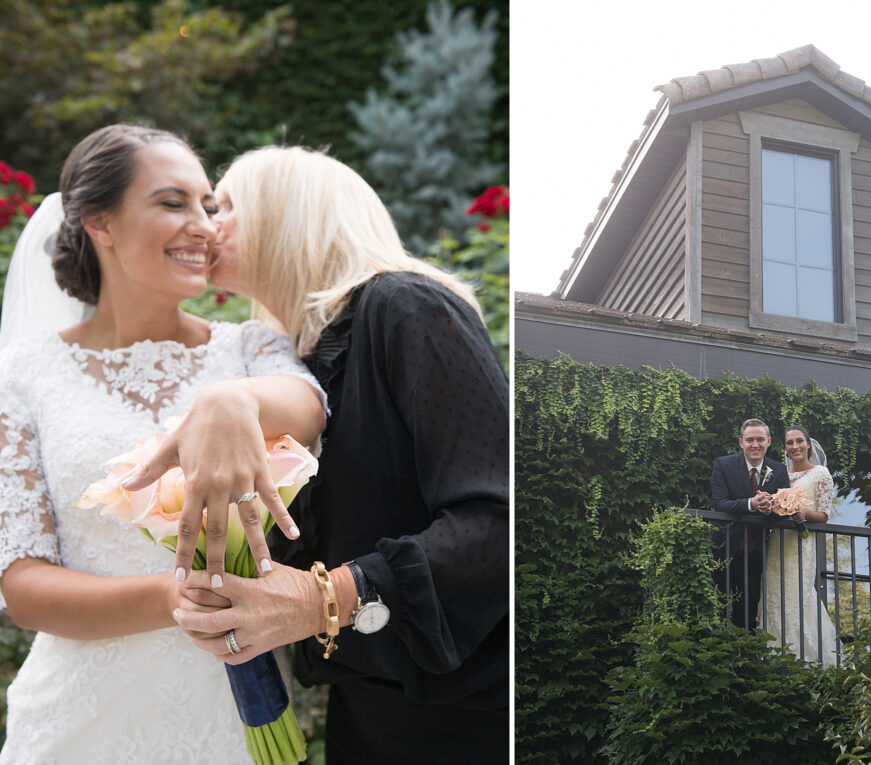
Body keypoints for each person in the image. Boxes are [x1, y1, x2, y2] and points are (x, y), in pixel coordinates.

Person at [169, 146, 509, 764]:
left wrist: (319, 600)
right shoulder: (299, 364)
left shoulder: (406, 306)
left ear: (288, 213)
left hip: (462, 720)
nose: (206, 224)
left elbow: (501, 524)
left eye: (226, 205)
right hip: (364, 714)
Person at [0, 125, 325, 763]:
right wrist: (174, 596)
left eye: (208, 205)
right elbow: (24, 586)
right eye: (173, 203)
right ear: (100, 221)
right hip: (76, 724)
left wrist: (232, 398)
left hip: (230, 715)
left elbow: (310, 409)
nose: (204, 225)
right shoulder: (24, 377)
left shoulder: (248, 348)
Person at [760, 425, 838, 666]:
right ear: (784, 447)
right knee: (773, 595)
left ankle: (809, 660)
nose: (794, 447)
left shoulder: (821, 473)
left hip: (800, 544)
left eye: (799, 441)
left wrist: (799, 512)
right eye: (789, 443)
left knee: (797, 595)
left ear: (808, 444)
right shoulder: (780, 475)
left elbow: (824, 515)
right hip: (777, 542)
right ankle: (773, 656)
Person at [710, 418, 790, 628]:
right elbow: (720, 503)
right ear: (741, 442)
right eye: (750, 440)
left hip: (756, 555)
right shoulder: (723, 465)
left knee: (747, 613)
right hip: (725, 549)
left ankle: (743, 657)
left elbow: (784, 510)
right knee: (717, 609)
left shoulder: (779, 470)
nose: (755, 444)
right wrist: (751, 504)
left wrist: (770, 509)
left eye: (760, 439)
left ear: (769, 441)